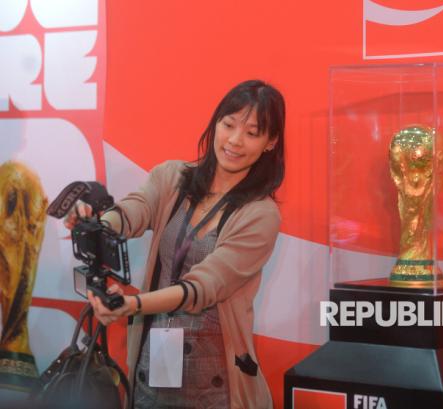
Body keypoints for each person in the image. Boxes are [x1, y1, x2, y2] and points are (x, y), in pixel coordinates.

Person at [64, 79, 285, 409]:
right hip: (149, 368)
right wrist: (100, 225)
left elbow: (204, 286)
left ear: (270, 142)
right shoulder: (172, 177)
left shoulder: (260, 214)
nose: (235, 140)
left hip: (215, 383)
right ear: (215, 123)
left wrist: (132, 305)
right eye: (228, 125)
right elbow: (136, 209)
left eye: (252, 133)